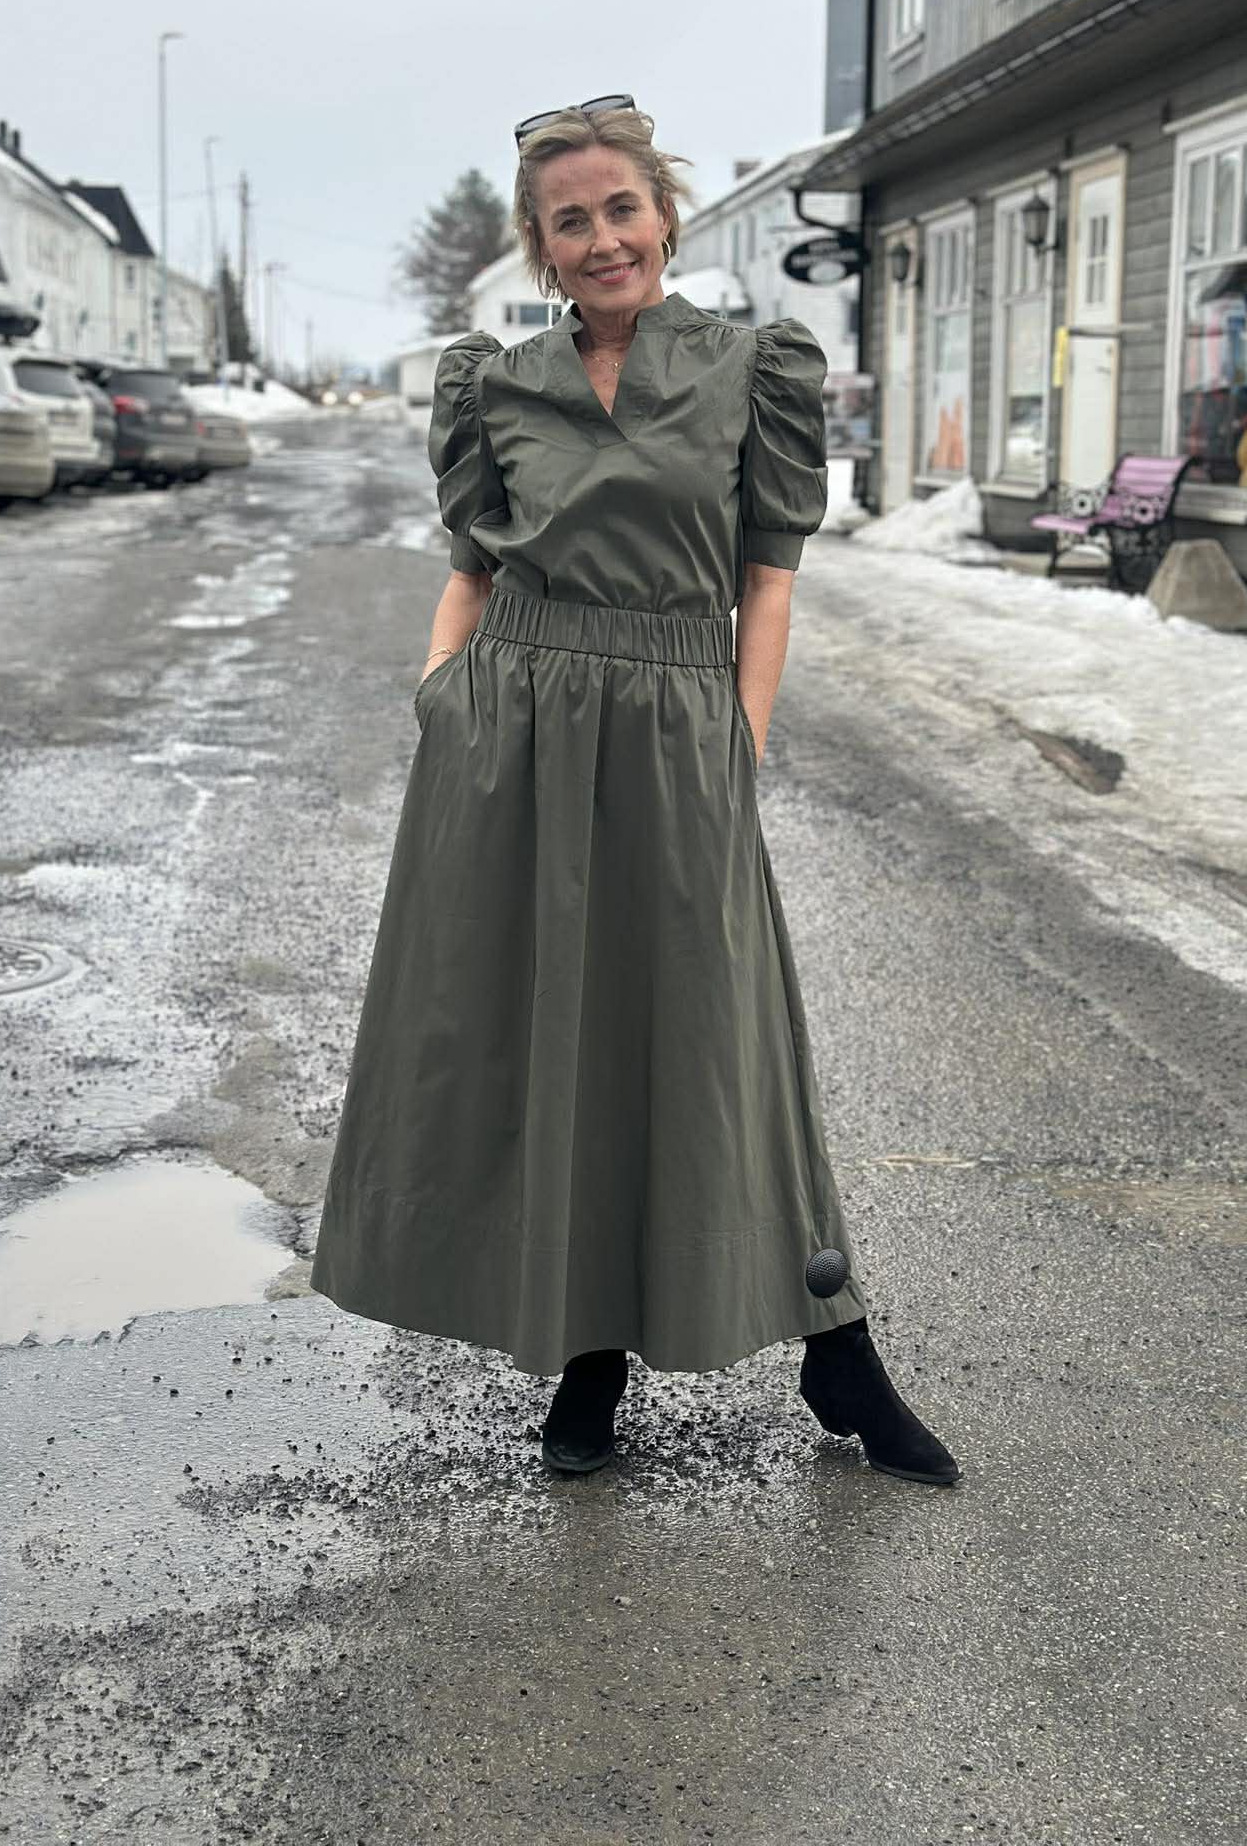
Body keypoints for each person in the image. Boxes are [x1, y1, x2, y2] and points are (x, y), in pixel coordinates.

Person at [310, 97, 960, 1488]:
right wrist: (442, 692)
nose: (602, 238)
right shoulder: (498, 385)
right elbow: (473, 571)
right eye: (571, 221)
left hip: (677, 727)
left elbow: (769, 578)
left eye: (622, 208)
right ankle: (588, 1352)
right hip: (513, 738)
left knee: (723, 1038)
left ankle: (835, 1339)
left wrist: (741, 738)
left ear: (664, 215)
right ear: (540, 248)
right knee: (555, 1035)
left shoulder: (748, 371)